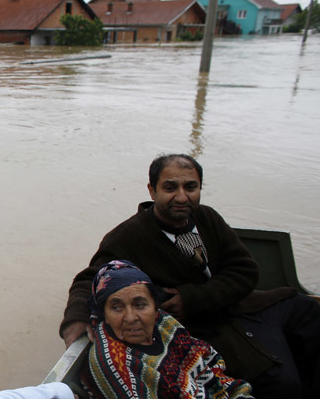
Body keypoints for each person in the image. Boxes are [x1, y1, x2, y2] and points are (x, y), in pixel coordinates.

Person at [60, 154, 320, 399]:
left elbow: (245, 270)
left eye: (190, 187)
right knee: (280, 379)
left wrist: (193, 297)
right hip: (199, 327)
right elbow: (90, 280)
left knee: (304, 308)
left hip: (236, 306)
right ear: (152, 190)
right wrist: (76, 322)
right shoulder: (130, 236)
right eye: (170, 188)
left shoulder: (207, 217)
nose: (181, 197)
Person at [83, 259, 254, 399]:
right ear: (104, 315)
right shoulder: (113, 362)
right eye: (116, 308)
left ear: (155, 308)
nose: (130, 317)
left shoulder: (163, 323)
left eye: (140, 305)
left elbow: (207, 361)